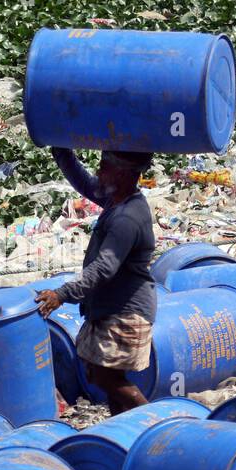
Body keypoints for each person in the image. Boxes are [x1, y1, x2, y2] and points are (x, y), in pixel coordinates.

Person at [35, 147, 156, 415]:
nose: (98, 173)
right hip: (111, 307)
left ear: (122, 174)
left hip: (126, 312)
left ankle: (154, 423)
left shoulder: (127, 218)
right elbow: (85, 184)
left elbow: (104, 267)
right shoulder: (119, 200)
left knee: (104, 378)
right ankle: (122, 433)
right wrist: (62, 151)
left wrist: (61, 294)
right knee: (107, 377)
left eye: (104, 167)